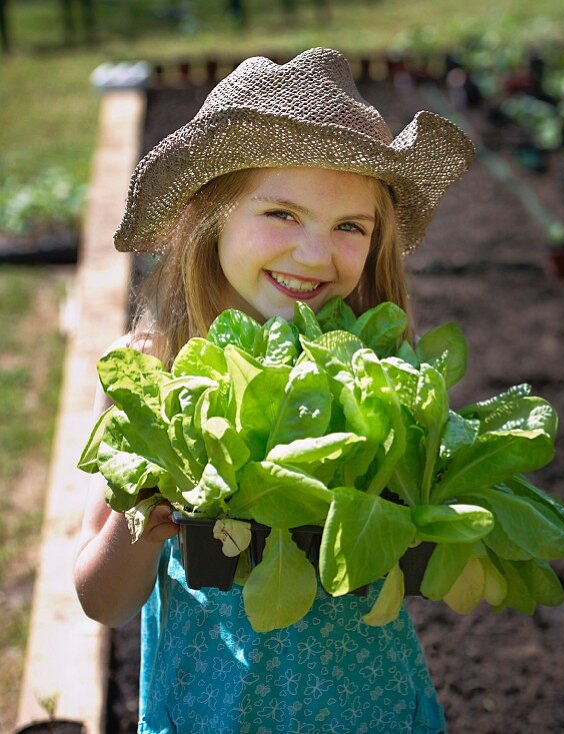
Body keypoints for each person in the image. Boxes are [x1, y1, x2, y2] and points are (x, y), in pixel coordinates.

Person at [73, 47, 475, 733]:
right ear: (211, 217)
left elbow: (438, 567)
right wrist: (145, 518)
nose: (315, 255)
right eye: (283, 215)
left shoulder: (379, 364)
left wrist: (429, 503)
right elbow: (102, 601)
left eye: (349, 227)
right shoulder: (152, 373)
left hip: (366, 708)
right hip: (212, 710)